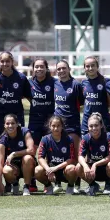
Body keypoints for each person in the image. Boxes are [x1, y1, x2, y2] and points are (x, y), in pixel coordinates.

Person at [54, 59, 84, 193]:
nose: (61, 71)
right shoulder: (55, 84)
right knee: (57, 153)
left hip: (73, 125)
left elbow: (82, 103)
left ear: (69, 69)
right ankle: (57, 183)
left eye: (63, 68)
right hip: (58, 126)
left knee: (75, 154)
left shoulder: (76, 85)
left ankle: (76, 184)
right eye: (59, 69)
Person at [34, 116, 78, 195]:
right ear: (50, 126)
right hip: (51, 171)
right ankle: (48, 186)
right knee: (37, 170)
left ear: (62, 126)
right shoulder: (45, 139)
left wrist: (56, 168)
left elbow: (71, 159)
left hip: (64, 171)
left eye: (58, 126)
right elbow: (40, 157)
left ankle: (70, 186)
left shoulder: (69, 139)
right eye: (53, 126)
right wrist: (48, 169)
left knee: (72, 168)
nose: (56, 128)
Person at [0, 51, 31, 140]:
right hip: (0, 115)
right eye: (2, 61)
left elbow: (28, 96)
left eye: (7, 61)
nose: (5, 64)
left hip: (17, 115)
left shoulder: (21, 78)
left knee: (18, 141)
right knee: (0, 141)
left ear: (12, 62)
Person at [76, 113, 110, 196]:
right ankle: (92, 185)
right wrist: (86, 166)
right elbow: (80, 156)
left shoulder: (108, 137)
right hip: (92, 171)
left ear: (101, 125)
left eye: (96, 125)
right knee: (78, 167)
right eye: (91, 126)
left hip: (106, 169)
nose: (93, 128)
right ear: (87, 127)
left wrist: (95, 164)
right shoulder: (86, 138)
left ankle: (109, 185)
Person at [0, 114, 36, 196]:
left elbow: (32, 150)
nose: (10, 126)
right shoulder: (2, 139)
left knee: (27, 158)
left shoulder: (24, 131)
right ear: (4, 125)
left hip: (28, 166)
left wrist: (14, 154)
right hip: (14, 168)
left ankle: (26, 186)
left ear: (17, 124)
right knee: (6, 170)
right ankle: (15, 184)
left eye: (13, 123)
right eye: (7, 123)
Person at [27, 58, 56, 147]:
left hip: (49, 120)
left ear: (46, 69)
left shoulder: (54, 82)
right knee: (32, 150)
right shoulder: (29, 83)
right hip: (34, 120)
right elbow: (25, 95)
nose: (39, 69)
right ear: (33, 69)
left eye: (42, 67)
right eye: (37, 67)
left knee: (50, 149)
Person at [81, 56, 110, 135]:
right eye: (87, 66)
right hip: (87, 120)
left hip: (103, 119)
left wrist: (104, 110)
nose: (90, 68)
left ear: (97, 67)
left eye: (93, 65)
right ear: (84, 68)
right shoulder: (83, 83)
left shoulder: (106, 81)